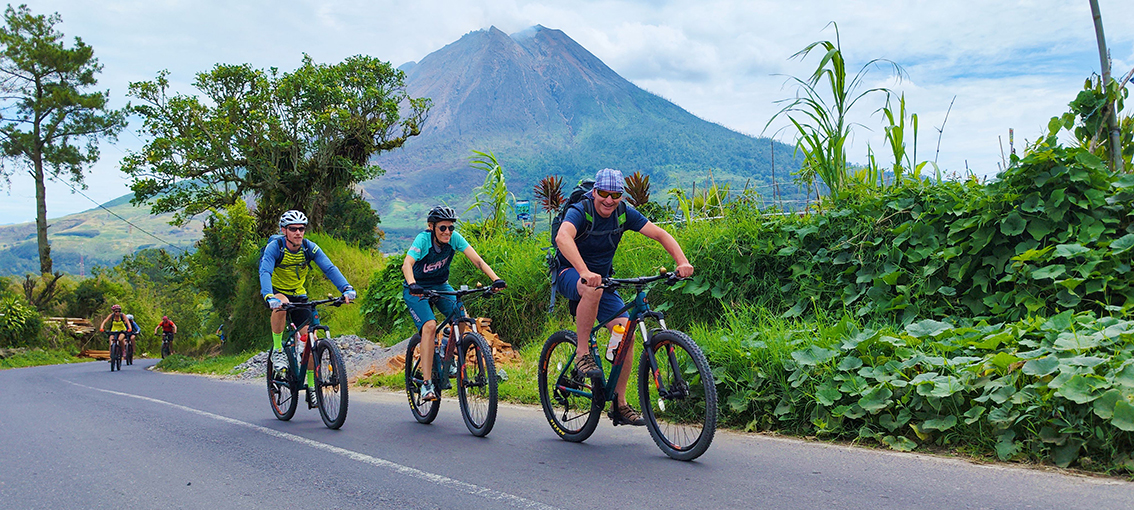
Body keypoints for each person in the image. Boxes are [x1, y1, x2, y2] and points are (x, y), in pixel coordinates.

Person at [554, 168, 694, 426]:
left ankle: (619, 404)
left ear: (621, 195)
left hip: (604, 280)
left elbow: (660, 234)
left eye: (615, 194)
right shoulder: (581, 210)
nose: (609, 200)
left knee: (626, 333)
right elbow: (563, 237)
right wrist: (584, 271)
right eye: (604, 194)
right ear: (594, 191)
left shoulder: (623, 212)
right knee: (592, 288)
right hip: (570, 273)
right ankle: (582, 352)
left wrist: (682, 261)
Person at [401, 206, 506, 401]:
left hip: (440, 285)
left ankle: (446, 354)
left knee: (462, 316)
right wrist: (413, 284)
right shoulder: (423, 240)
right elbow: (407, 264)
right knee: (430, 326)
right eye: (442, 228)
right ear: (431, 227)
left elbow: (478, 261)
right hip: (417, 290)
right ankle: (426, 385)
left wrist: (495, 279)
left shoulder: (454, 238)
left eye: (450, 227)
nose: (447, 232)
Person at [260, 210, 356, 404]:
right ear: (283, 230)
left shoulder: (309, 248)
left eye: (301, 229)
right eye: (293, 229)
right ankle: (278, 350)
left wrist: (346, 288)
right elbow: (265, 270)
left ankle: (312, 386)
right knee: (281, 305)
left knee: (311, 340)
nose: (298, 233)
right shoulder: (275, 248)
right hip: (278, 292)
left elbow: (329, 268)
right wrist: (269, 295)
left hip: (299, 294)